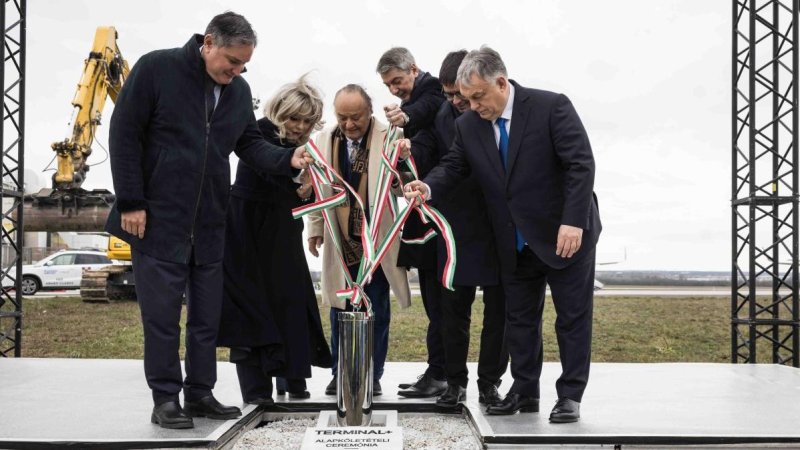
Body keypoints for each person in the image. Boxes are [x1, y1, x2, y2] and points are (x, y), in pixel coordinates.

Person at [105, 12, 312, 430]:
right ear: (209, 43)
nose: (236, 72)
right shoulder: (156, 68)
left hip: (212, 225)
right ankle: (166, 398)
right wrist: (131, 201)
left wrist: (288, 158)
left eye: (243, 65)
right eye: (232, 61)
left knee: (206, 318)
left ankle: (200, 393)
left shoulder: (238, 92)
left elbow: (250, 145)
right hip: (157, 221)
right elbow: (124, 133)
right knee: (162, 319)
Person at [404, 46, 601, 423]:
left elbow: (580, 164)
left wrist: (573, 221)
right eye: (467, 99)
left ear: (500, 82)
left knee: (571, 319)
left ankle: (570, 395)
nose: (473, 106)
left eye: (478, 97)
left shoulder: (550, 106)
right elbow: (454, 165)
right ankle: (525, 391)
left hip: (565, 235)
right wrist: (426, 187)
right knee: (520, 321)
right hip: (513, 240)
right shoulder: (469, 125)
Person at [398, 50, 509, 409]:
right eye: (450, 95)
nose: (459, 102)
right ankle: (454, 382)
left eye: (461, 94)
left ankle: (490, 383)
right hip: (456, 228)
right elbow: (441, 156)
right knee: (452, 310)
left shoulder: (493, 110)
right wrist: (411, 157)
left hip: (497, 226)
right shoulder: (446, 116)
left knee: (499, 312)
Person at [216, 75, 332, 406]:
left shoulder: (305, 146)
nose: (299, 127)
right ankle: (257, 391)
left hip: (282, 231)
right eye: (294, 118)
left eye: (307, 121)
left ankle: (292, 375)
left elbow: (300, 193)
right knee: (251, 309)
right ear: (280, 111)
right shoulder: (260, 131)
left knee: (290, 302)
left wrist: (306, 192)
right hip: (246, 232)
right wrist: (299, 183)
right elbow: (268, 166)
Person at [306, 84, 411, 398]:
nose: (349, 124)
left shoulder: (390, 136)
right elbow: (318, 190)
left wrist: (401, 165)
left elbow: (402, 188)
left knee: (375, 309)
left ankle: (371, 375)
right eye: (342, 117)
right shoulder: (323, 140)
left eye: (356, 117)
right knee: (339, 309)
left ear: (370, 112)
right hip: (340, 241)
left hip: (376, 243)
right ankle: (340, 373)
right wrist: (315, 228)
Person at [376, 47, 448, 399]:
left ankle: (443, 373)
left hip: (440, 215)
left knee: (442, 303)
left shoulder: (433, 90)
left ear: (415, 70)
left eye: (398, 81)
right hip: (422, 212)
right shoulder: (418, 107)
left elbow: (427, 106)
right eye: (388, 85)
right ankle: (439, 371)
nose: (394, 89)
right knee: (434, 302)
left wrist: (405, 116)